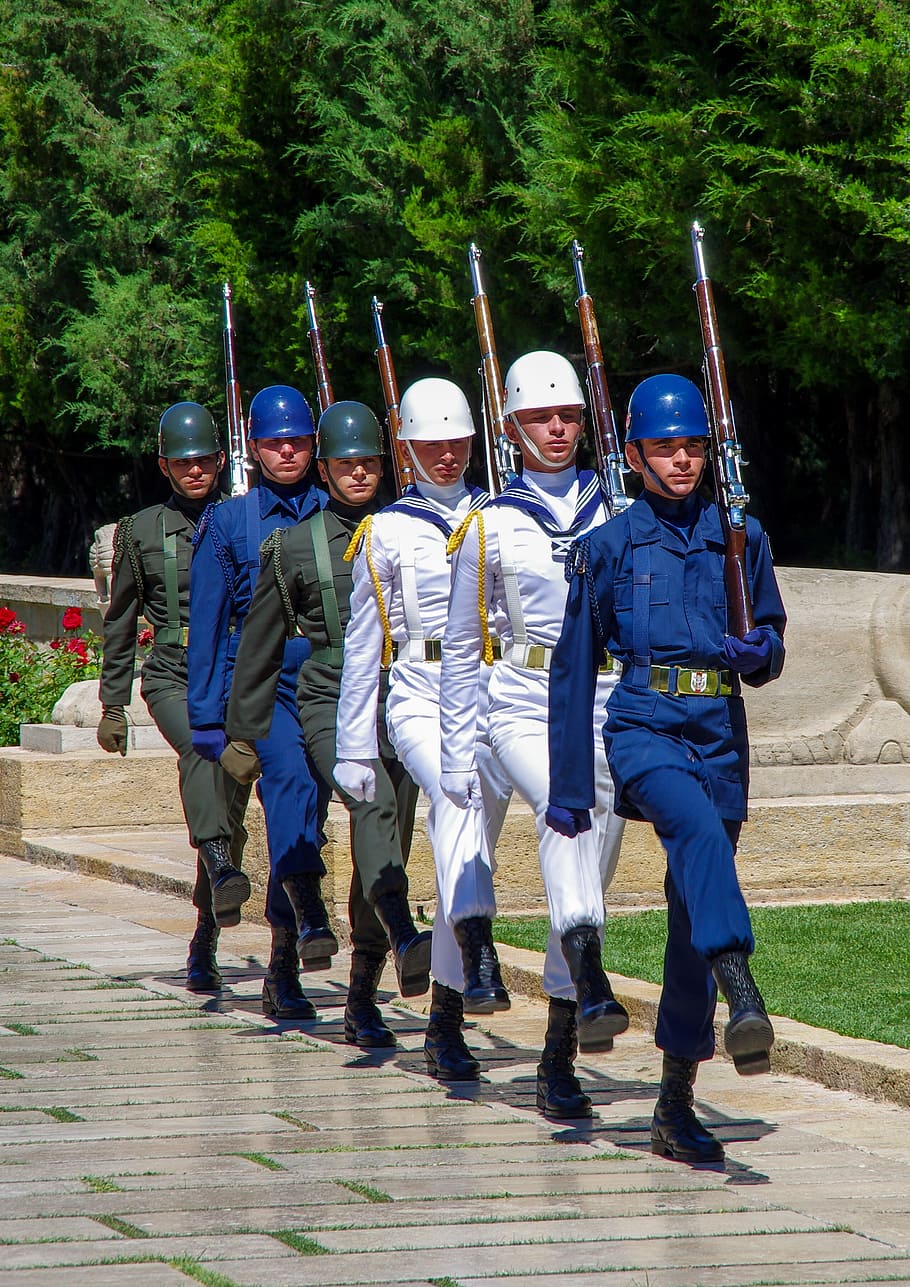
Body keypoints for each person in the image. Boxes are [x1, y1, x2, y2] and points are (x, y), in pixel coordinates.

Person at [547, 373, 786, 1164]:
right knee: (689, 824)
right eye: (664, 447)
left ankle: (674, 1103)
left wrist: (764, 652)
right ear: (633, 454)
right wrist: (572, 790)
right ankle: (742, 985)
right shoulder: (607, 548)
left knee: (690, 907)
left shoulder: (740, 534)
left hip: (719, 730)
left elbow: (771, 642)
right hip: (645, 726)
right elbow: (573, 668)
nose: (681, 460)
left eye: (693, 446)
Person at [441, 351, 628, 1120]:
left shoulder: (618, 510)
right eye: (542, 418)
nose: (558, 428)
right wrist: (457, 747)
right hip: (521, 697)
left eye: (570, 415)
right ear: (513, 427)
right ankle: (589, 968)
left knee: (592, 856)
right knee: (564, 808)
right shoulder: (489, 523)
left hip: (609, 698)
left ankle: (558, 1047)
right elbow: (459, 644)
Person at [221, 401, 432, 1044]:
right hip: (329, 696)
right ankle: (399, 925)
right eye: (346, 464)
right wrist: (242, 732)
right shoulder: (292, 545)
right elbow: (258, 644)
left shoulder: (413, 534)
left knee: (391, 836)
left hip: (404, 695)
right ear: (329, 467)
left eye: (369, 463)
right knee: (370, 806)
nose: (359, 474)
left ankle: (362, 1000)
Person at [334, 377, 512, 1081]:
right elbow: (361, 647)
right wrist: (354, 745)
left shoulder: (500, 516)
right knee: (457, 808)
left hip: (492, 697)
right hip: (416, 695)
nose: (447, 455)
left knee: (466, 856)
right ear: (407, 448)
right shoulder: (386, 530)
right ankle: (479, 953)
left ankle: (444, 1019)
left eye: (457, 441)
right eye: (432, 443)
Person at [187, 385, 333, 1021]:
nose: (288, 452)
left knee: (309, 810)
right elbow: (211, 625)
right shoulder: (228, 522)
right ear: (253, 449)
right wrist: (208, 718)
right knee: (289, 795)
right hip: (262, 686)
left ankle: (283, 944)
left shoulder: (338, 512)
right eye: (275, 442)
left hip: (328, 685)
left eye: (298, 441)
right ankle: (284, 958)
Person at [97, 403, 250, 992]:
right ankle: (215, 858)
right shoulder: (140, 530)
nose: (195, 470)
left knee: (230, 801)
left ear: (219, 461)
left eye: (205, 460)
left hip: (234, 675)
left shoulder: (242, 520)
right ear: (164, 465)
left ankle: (204, 934)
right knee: (201, 751)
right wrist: (113, 704)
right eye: (183, 462)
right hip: (172, 674)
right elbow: (119, 619)